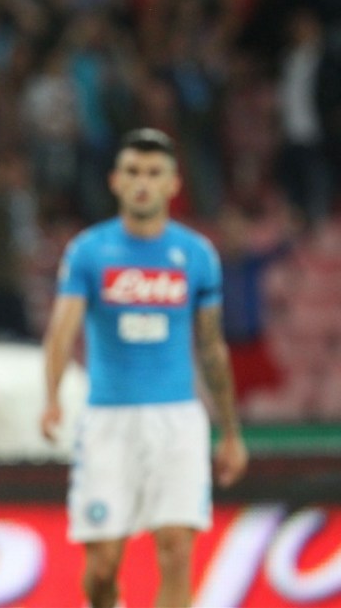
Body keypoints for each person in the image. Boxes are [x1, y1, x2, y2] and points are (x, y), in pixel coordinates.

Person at [40, 127, 248, 608]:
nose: (143, 183)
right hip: (108, 421)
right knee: (102, 569)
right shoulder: (88, 252)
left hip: (178, 420)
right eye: (133, 171)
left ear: (173, 184)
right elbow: (62, 331)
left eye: (154, 173)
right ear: (115, 180)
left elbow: (212, 347)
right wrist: (51, 397)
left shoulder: (196, 255)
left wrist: (232, 431)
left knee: (176, 551)